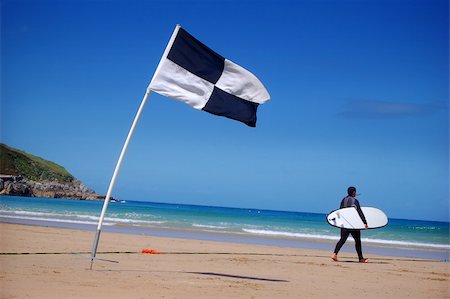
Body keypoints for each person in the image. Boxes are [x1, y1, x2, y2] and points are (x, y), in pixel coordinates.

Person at [331, 186, 369, 263]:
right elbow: (359, 212)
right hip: (353, 225)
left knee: (342, 240)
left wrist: (340, 223)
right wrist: (365, 222)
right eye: (355, 191)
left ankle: (334, 254)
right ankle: (361, 258)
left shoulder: (343, 200)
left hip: (344, 224)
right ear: (354, 192)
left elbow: (340, 211)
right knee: (358, 241)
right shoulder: (355, 201)